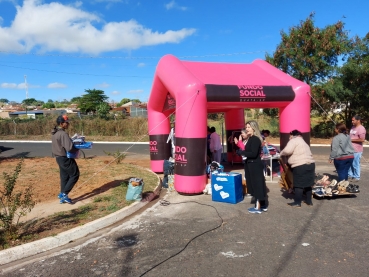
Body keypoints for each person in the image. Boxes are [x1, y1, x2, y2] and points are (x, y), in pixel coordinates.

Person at [237, 121, 268, 214]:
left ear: (254, 128)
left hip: (254, 164)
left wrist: (241, 152)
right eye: (246, 127)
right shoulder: (251, 138)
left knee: (257, 185)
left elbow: (253, 154)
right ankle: (262, 205)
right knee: (254, 184)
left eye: (248, 127)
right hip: (250, 164)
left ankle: (258, 207)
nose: (247, 129)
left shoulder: (255, 139)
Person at [280, 130, 315, 207]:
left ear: (292, 135)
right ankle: (309, 201)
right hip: (311, 164)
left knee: (298, 184)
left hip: (300, 165)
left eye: (290, 136)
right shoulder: (303, 142)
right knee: (308, 183)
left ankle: (297, 202)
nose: (289, 137)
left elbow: (287, 150)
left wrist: (281, 153)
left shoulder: (294, 140)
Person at [51, 115, 80, 204]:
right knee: (75, 174)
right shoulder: (63, 134)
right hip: (65, 158)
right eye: (66, 122)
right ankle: (64, 193)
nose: (68, 124)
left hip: (58, 158)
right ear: (61, 123)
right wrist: (79, 146)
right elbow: (69, 148)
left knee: (65, 177)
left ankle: (63, 196)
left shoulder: (55, 133)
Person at [348, 115, 366, 182]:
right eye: (352, 120)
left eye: (353, 120)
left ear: (358, 120)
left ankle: (356, 176)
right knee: (350, 163)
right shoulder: (353, 127)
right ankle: (350, 175)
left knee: (355, 164)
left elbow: (362, 140)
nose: (352, 121)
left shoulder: (361, 129)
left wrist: (351, 140)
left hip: (357, 150)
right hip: (350, 149)